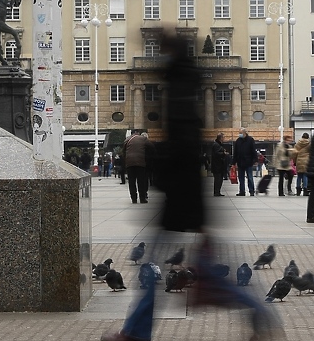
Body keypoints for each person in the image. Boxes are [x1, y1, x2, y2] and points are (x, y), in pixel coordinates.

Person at [102, 31, 280, 341]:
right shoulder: (184, 84)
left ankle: (136, 333)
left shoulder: (179, 88)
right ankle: (257, 313)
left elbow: (182, 147)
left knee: (159, 269)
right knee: (193, 271)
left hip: (181, 198)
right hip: (186, 197)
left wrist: (162, 172)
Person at [124, 129, 153, 204]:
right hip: (140, 163)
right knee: (141, 181)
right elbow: (152, 147)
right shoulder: (143, 139)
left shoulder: (127, 140)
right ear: (138, 133)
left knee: (131, 182)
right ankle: (142, 198)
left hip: (129, 163)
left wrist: (126, 162)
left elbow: (123, 151)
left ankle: (134, 199)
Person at [232, 127, 256, 196]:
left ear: (245, 133)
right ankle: (242, 191)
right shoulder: (238, 141)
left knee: (250, 177)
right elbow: (235, 152)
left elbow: (253, 150)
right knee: (241, 178)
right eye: (239, 133)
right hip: (240, 162)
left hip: (248, 161)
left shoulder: (250, 140)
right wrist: (234, 162)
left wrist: (255, 160)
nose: (239, 134)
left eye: (241, 133)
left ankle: (251, 191)